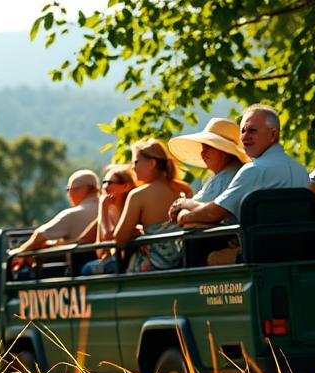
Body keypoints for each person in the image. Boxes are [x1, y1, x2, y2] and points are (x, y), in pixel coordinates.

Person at [173, 105, 309, 227]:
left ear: (273, 134)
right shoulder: (301, 170)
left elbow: (213, 213)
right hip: (301, 250)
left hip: (259, 252)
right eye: (243, 131)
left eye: (252, 131)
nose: (245, 137)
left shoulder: (254, 170)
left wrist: (183, 215)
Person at [113, 138, 191, 272]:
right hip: (184, 260)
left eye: (136, 162)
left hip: (154, 266)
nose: (132, 167)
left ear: (151, 163)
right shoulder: (184, 189)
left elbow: (119, 238)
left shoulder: (138, 196)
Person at [7, 169, 100, 272]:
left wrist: (21, 252)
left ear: (84, 189)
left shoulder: (73, 214)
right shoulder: (109, 208)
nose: (69, 194)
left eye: (70, 189)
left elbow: (40, 235)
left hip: (75, 272)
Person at [166, 117, 248, 224]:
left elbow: (204, 213)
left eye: (209, 147)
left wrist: (183, 206)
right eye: (202, 148)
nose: (202, 153)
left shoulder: (227, 176)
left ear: (225, 151)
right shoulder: (222, 175)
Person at [80, 164, 136, 275]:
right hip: (119, 260)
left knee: (87, 269)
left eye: (110, 183)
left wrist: (103, 210)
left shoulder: (132, 208)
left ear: (125, 186)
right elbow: (100, 252)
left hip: (129, 261)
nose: (105, 187)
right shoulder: (109, 212)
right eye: (104, 182)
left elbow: (108, 236)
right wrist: (104, 212)